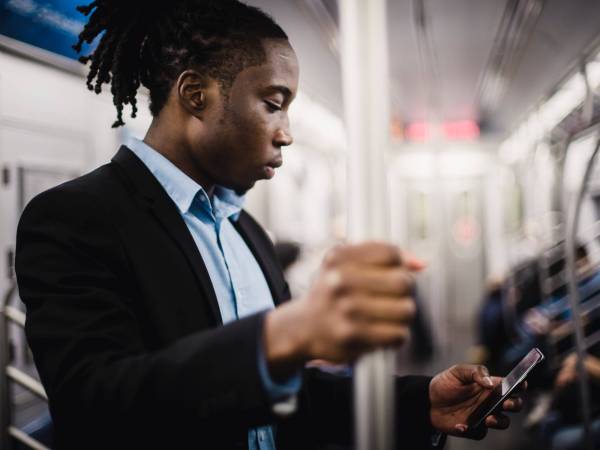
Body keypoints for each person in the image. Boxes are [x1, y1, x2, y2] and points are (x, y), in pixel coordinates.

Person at [15, 1, 523, 449]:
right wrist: (284, 335)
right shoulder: (75, 219)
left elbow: (285, 395)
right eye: (273, 104)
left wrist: (419, 402)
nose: (286, 135)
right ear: (195, 94)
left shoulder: (246, 233)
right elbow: (97, 404)